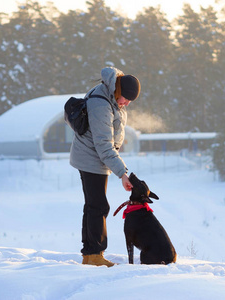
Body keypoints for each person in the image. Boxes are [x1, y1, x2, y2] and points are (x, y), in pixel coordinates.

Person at [69, 66, 141, 267]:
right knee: (98, 206)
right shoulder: (101, 104)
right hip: (91, 158)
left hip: (96, 157)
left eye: (129, 101)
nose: (126, 103)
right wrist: (122, 173)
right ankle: (94, 255)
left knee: (93, 205)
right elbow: (103, 144)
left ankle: (90, 253)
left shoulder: (111, 95)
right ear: (118, 90)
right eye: (125, 99)